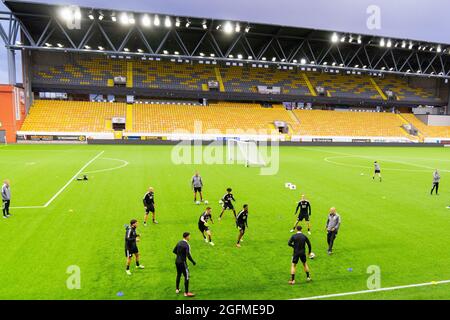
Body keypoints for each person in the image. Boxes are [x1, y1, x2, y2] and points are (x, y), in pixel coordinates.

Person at [173, 232, 196, 297]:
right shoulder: (186, 245)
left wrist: (179, 255)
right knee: (187, 276)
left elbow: (174, 251)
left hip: (177, 261)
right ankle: (186, 293)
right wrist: (193, 261)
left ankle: (177, 289)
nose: (190, 237)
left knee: (178, 274)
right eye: (189, 236)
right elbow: (188, 255)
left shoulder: (179, 242)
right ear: (186, 237)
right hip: (183, 262)